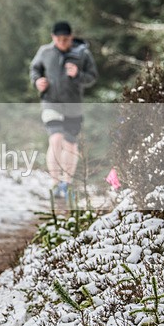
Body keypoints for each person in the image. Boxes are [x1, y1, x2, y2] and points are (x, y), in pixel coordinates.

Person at [29, 21, 98, 199]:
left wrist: (78, 75)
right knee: (56, 138)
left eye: (66, 39)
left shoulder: (82, 53)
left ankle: (66, 183)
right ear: (53, 38)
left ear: (71, 37)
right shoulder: (45, 52)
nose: (62, 42)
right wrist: (38, 81)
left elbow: (92, 77)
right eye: (58, 39)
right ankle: (54, 183)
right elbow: (34, 70)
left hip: (73, 105)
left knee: (70, 144)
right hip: (50, 102)